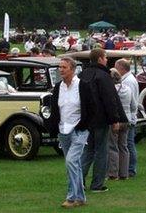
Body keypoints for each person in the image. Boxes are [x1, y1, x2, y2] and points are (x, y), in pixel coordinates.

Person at [47, 57, 93, 208]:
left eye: (64, 67)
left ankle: (71, 197)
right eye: (60, 67)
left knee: (71, 161)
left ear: (72, 70)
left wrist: (84, 125)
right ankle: (81, 198)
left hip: (79, 130)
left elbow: (92, 108)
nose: (61, 70)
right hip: (63, 130)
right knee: (75, 164)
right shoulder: (58, 86)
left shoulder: (83, 86)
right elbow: (55, 109)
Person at [80, 49, 127, 193]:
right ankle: (97, 184)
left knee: (87, 151)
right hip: (100, 120)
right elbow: (110, 99)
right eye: (105, 57)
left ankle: (78, 181)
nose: (107, 60)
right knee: (101, 151)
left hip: (86, 119)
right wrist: (115, 119)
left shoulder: (82, 75)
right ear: (100, 59)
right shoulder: (104, 76)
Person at [113, 59, 139, 178]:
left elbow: (131, 103)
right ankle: (126, 170)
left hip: (125, 117)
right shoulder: (130, 80)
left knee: (127, 144)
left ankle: (130, 168)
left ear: (122, 69)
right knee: (126, 145)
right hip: (129, 116)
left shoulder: (127, 82)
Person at [106, 68, 132, 180]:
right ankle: (124, 173)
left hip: (116, 119)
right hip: (127, 118)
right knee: (123, 146)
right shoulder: (128, 88)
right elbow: (134, 104)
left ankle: (113, 173)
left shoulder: (110, 90)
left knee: (112, 146)